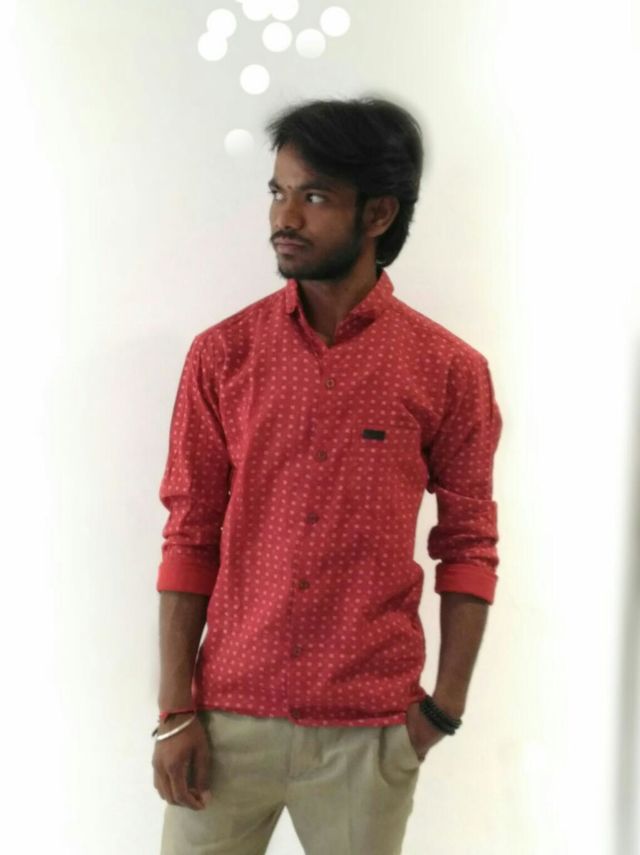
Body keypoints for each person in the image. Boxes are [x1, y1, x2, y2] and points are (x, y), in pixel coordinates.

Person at [151, 96, 503, 855]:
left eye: (313, 197)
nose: (284, 218)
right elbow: (189, 534)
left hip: (368, 733)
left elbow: (469, 546)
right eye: (277, 192)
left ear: (378, 214)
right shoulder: (223, 355)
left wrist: (441, 711)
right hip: (226, 720)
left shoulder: (448, 370)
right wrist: (175, 712)